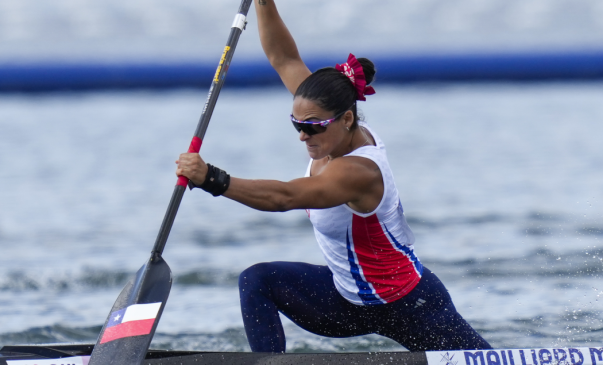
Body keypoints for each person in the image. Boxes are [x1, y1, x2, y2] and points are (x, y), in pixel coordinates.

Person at [175, 0, 491, 353]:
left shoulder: (359, 171)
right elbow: (285, 59)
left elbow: (286, 198)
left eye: (312, 127)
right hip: (345, 302)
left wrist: (211, 178)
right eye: (296, 124)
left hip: (408, 306)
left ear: (346, 119)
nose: (302, 135)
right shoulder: (323, 114)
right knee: (257, 280)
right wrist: (265, 3)